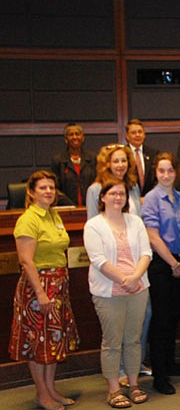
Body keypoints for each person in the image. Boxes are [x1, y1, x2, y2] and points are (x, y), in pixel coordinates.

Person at [9, 170, 79, 410]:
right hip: (38, 288)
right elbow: (26, 261)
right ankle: (42, 393)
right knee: (39, 342)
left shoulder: (53, 216)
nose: (48, 192)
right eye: (43, 188)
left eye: (51, 187)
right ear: (31, 192)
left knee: (53, 341)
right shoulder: (29, 219)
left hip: (58, 287)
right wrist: (40, 293)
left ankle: (51, 389)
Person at [84, 179, 152, 408]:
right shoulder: (93, 225)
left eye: (121, 193)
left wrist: (134, 279)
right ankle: (113, 389)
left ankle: (133, 384)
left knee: (133, 340)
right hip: (108, 291)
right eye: (112, 193)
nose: (117, 197)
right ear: (102, 198)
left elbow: (146, 253)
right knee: (112, 342)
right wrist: (124, 280)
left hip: (138, 289)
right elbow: (99, 260)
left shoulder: (135, 222)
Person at [141, 152, 180, 395]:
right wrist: (174, 263)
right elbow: (152, 236)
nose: (166, 175)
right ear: (155, 173)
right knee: (161, 320)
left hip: (179, 264)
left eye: (170, 170)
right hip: (161, 266)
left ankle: (170, 363)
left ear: (176, 172)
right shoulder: (151, 199)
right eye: (161, 171)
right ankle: (159, 375)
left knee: (173, 317)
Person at [86, 144, 141, 219]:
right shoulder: (95, 190)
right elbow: (92, 221)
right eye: (116, 161)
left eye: (124, 161)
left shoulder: (133, 187)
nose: (120, 165)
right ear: (107, 164)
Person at [50, 122, 97, 206]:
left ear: (83, 138)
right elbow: (55, 188)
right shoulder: (58, 160)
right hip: (66, 208)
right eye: (71, 135)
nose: (75, 137)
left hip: (91, 206)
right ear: (66, 139)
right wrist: (69, 205)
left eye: (77, 134)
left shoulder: (93, 158)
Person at [125, 119, 159, 197]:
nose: (137, 135)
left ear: (144, 135)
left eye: (140, 132)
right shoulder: (123, 154)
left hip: (150, 200)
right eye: (133, 133)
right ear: (127, 136)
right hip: (129, 199)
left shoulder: (153, 153)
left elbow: (157, 178)